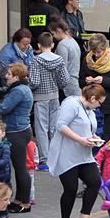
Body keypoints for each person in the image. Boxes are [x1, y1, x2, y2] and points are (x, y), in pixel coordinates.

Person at [49, 85, 105, 218]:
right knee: (71, 189)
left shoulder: (89, 109)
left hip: (83, 154)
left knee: (95, 182)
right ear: (93, 98)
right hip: (66, 153)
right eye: (99, 103)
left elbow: (87, 129)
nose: (99, 106)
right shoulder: (72, 104)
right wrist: (79, 139)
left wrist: (94, 137)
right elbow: (60, 125)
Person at [0, 63, 34, 212]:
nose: (6, 76)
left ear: (16, 77)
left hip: (17, 133)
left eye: (9, 74)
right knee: (19, 167)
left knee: (20, 168)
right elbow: (7, 92)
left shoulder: (19, 91)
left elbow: (4, 108)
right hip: (20, 130)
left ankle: (25, 203)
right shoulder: (19, 88)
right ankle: (19, 200)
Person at [29, 31, 71, 168]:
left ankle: (45, 158)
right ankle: (55, 155)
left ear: (39, 45)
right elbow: (65, 80)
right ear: (52, 45)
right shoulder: (59, 59)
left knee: (41, 128)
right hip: (55, 96)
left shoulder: (36, 60)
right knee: (54, 127)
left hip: (40, 98)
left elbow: (34, 82)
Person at [79, 33, 110, 142]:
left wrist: (104, 81)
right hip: (91, 105)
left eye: (99, 52)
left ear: (105, 48)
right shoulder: (87, 60)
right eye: (93, 52)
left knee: (106, 138)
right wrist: (86, 81)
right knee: (91, 136)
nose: (96, 55)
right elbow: (80, 82)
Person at [49, 20, 83, 98]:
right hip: (74, 82)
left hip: (66, 86)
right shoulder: (73, 42)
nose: (53, 36)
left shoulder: (62, 45)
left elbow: (61, 67)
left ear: (58, 30)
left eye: (53, 33)